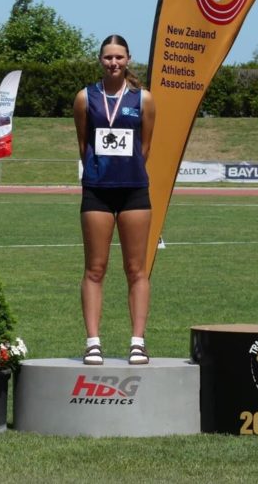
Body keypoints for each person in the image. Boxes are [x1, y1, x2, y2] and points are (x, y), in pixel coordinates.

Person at [73, 35, 156, 365]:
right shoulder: (85, 97)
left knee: (136, 269)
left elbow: (145, 146)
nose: (113, 63)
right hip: (97, 189)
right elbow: (83, 143)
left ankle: (138, 341)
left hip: (134, 187)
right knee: (95, 268)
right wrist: (101, 169)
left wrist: (126, 167)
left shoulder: (143, 98)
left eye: (119, 57)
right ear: (100, 60)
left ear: (128, 59)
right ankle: (93, 341)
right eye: (108, 57)